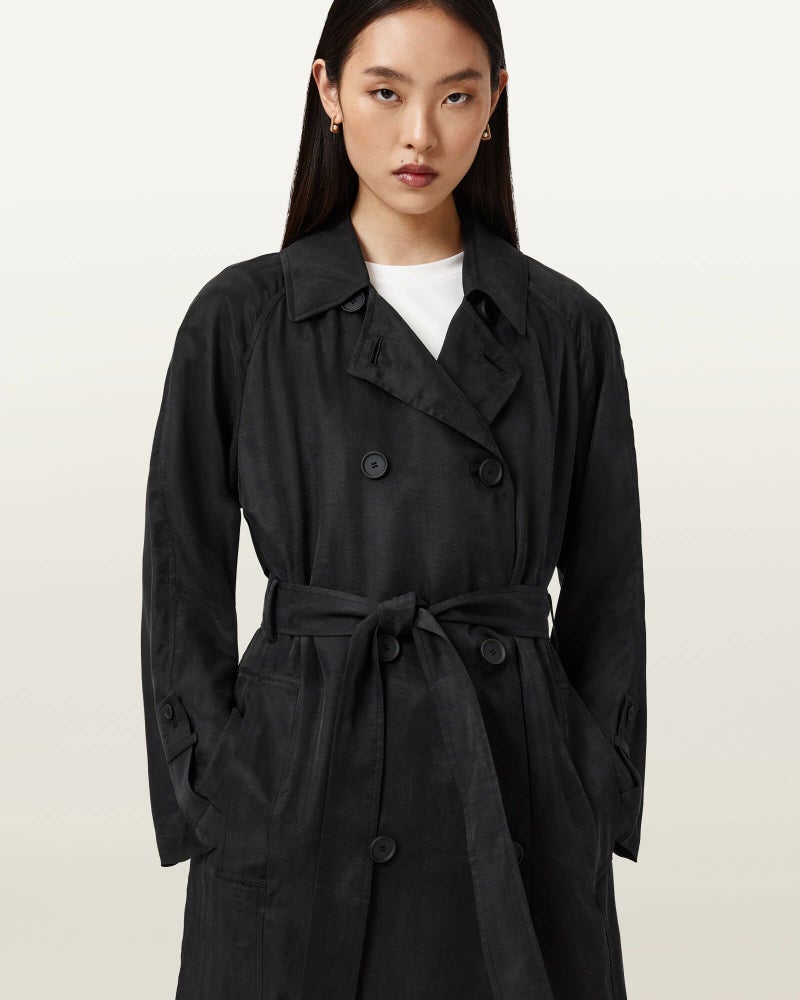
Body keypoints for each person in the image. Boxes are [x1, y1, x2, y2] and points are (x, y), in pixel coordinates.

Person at [140, 2, 647, 999]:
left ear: (494, 104)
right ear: (327, 91)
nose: (419, 134)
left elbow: (608, 594)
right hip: (303, 777)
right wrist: (216, 785)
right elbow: (180, 575)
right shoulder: (245, 318)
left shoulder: (563, 329)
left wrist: (590, 782)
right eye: (384, 92)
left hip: (508, 783)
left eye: (455, 97)